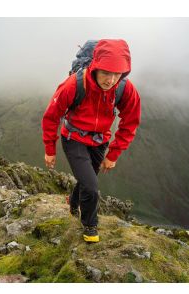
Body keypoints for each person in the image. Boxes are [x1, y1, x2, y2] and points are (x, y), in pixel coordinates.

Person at [41, 39, 141, 243]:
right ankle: (90, 226)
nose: (110, 79)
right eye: (105, 72)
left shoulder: (125, 88)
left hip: (100, 140)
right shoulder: (75, 84)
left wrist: (113, 154)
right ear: (95, 66)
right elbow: (52, 116)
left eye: (117, 74)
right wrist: (50, 148)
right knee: (91, 185)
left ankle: (73, 202)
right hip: (73, 138)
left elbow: (131, 121)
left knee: (87, 180)